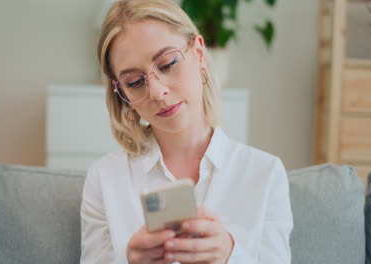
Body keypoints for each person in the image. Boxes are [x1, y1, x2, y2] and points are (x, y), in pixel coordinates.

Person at [80, 0, 293, 263]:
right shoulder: (105, 178)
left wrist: (230, 255)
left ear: (200, 54)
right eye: (134, 82)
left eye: (168, 64)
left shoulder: (265, 174)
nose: (157, 92)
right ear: (121, 92)